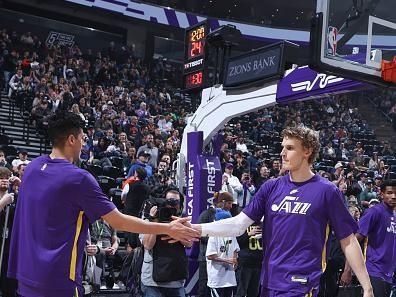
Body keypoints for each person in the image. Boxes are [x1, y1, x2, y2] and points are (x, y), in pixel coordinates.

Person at [7, 112, 199, 297]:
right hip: (57, 280)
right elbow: (118, 222)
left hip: (25, 276)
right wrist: (167, 228)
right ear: (72, 140)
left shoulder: (31, 169)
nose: (83, 144)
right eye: (82, 138)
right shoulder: (78, 179)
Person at [192, 126, 374, 297]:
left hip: (302, 283)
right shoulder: (270, 187)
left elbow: (348, 240)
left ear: (307, 151)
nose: (282, 153)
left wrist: (367, 287)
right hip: (269, 282)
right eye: (282, 147)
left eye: (289, 148)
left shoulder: (327, 191)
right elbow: (239, 225)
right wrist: (196, 228)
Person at [340, 179, 396, 297]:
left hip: (389, 273)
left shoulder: (394, 215)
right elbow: (354, 240)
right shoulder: (374, 212)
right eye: (389, 193)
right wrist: (347, 270)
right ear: (381, 194)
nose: (394, 196)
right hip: (374, 271)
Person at [140, 189, 190, 297]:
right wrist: (155, 220)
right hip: (153, 282)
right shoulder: (150, 220)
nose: (172, 205)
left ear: (180, 205)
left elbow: (189, 244)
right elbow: (148, 245)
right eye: (169, 201)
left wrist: (177, 227)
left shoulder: (182, 221)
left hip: (176, 280)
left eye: (175, 202)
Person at [206, 209, 239, 297]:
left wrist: (235, 260)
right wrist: (228, 261)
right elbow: (210, 256)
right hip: (217, 279)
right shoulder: (213, 235)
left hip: (230, 278)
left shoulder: (232, 234)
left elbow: (235, 249)